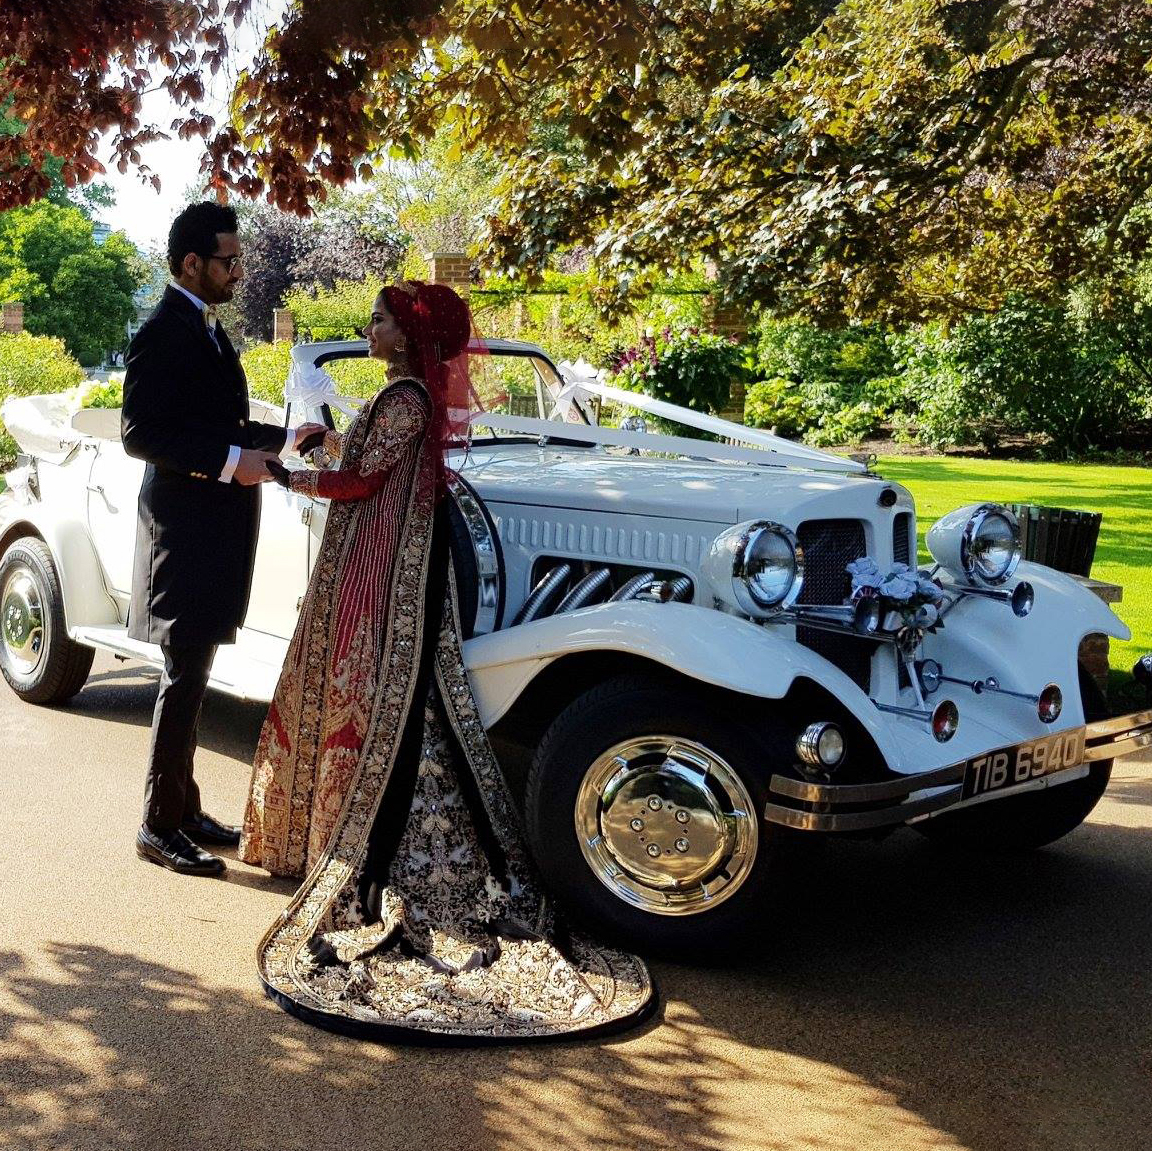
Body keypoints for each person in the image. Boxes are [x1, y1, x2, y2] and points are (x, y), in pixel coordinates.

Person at [239, 282, 655, 1042]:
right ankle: (324, 837)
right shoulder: (402, 396)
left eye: (382, 319)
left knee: (388, 705)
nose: (370, 327)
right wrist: (322, 443)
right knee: (377, 700)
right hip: (373, 553)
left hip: (384, 564)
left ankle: (374, 852)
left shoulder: (406, 400)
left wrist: (286, 475)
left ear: (408, 335)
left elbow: (362, 483)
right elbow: (366, 464)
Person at [122, 201, 325, 878]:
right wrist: (227, 462)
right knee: (182, 679)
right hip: (182, 532)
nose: (239, 271)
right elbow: (139, 434)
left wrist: (285, 441)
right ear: (191, 264)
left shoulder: (206, 329)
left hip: (215, 530)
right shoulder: (162, 332)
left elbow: (222, 421)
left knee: (196, 674)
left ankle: (183, 809)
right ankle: (156, 824)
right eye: (229, 261)